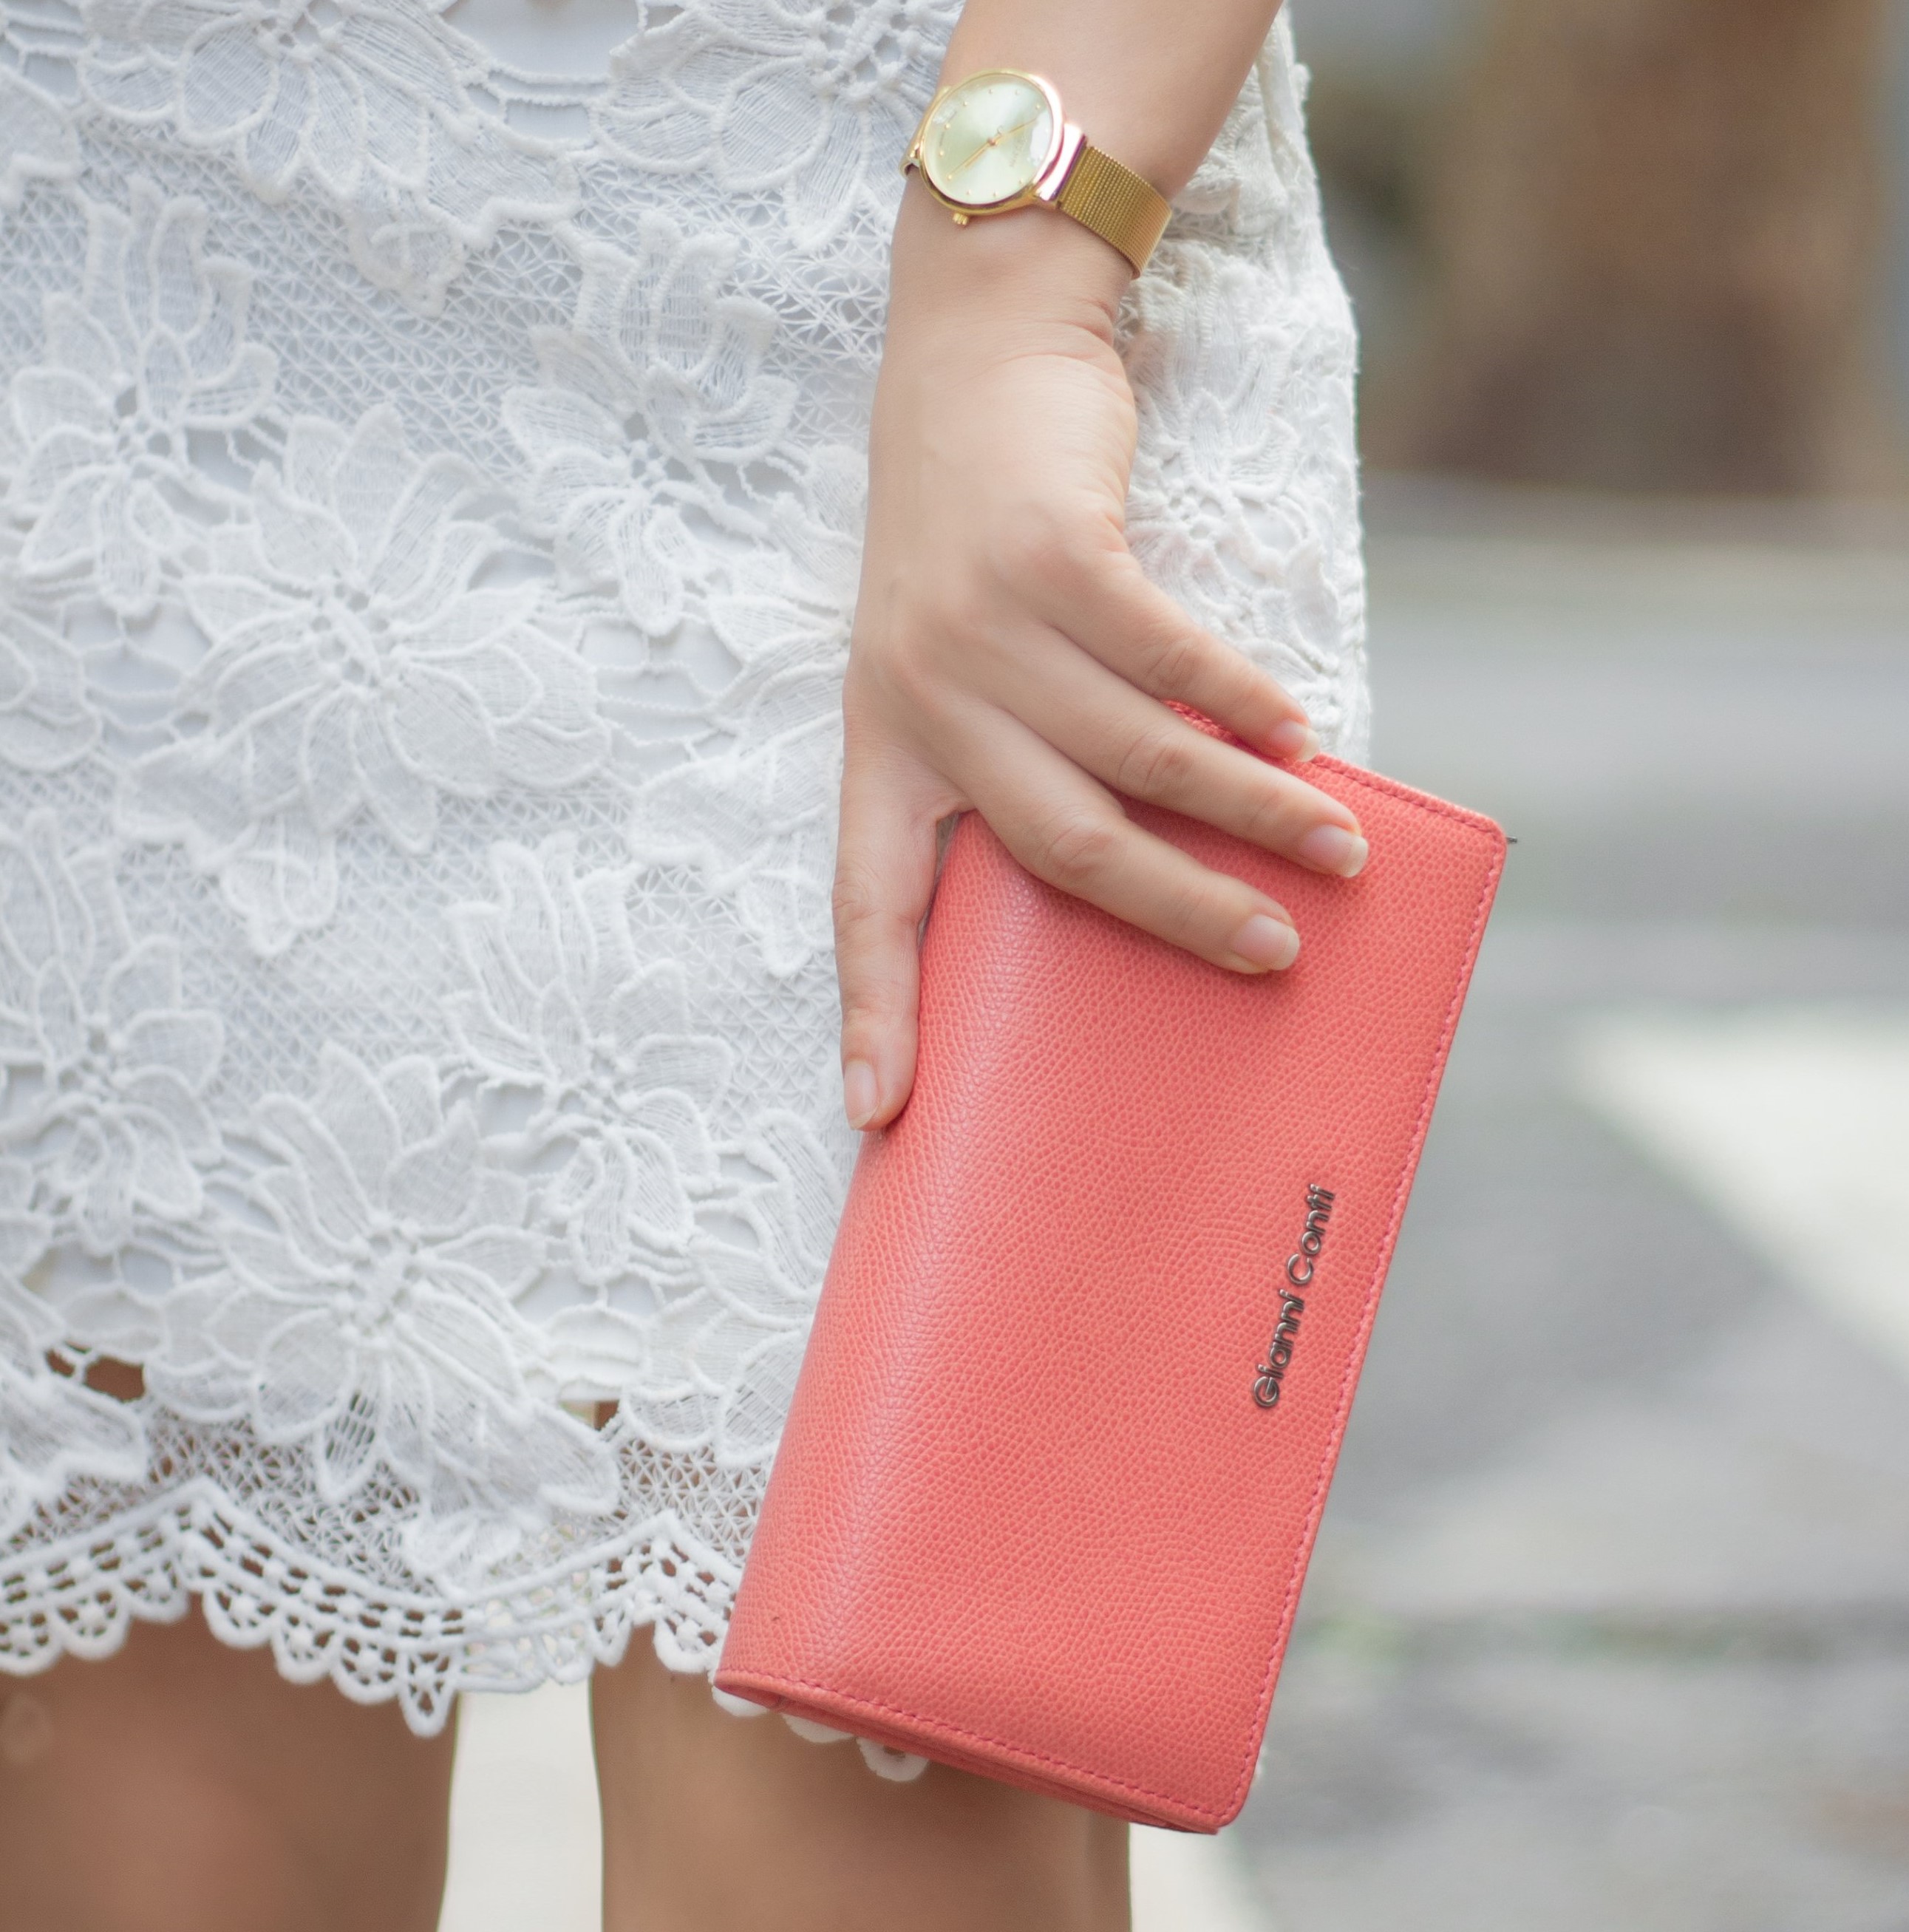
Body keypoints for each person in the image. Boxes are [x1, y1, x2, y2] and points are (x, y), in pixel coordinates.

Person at [0, 0, 1367, 1921]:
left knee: (865, 1789)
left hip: (925, 254)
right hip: (127, 316)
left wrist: (1016, 274)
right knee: (154, 1785)